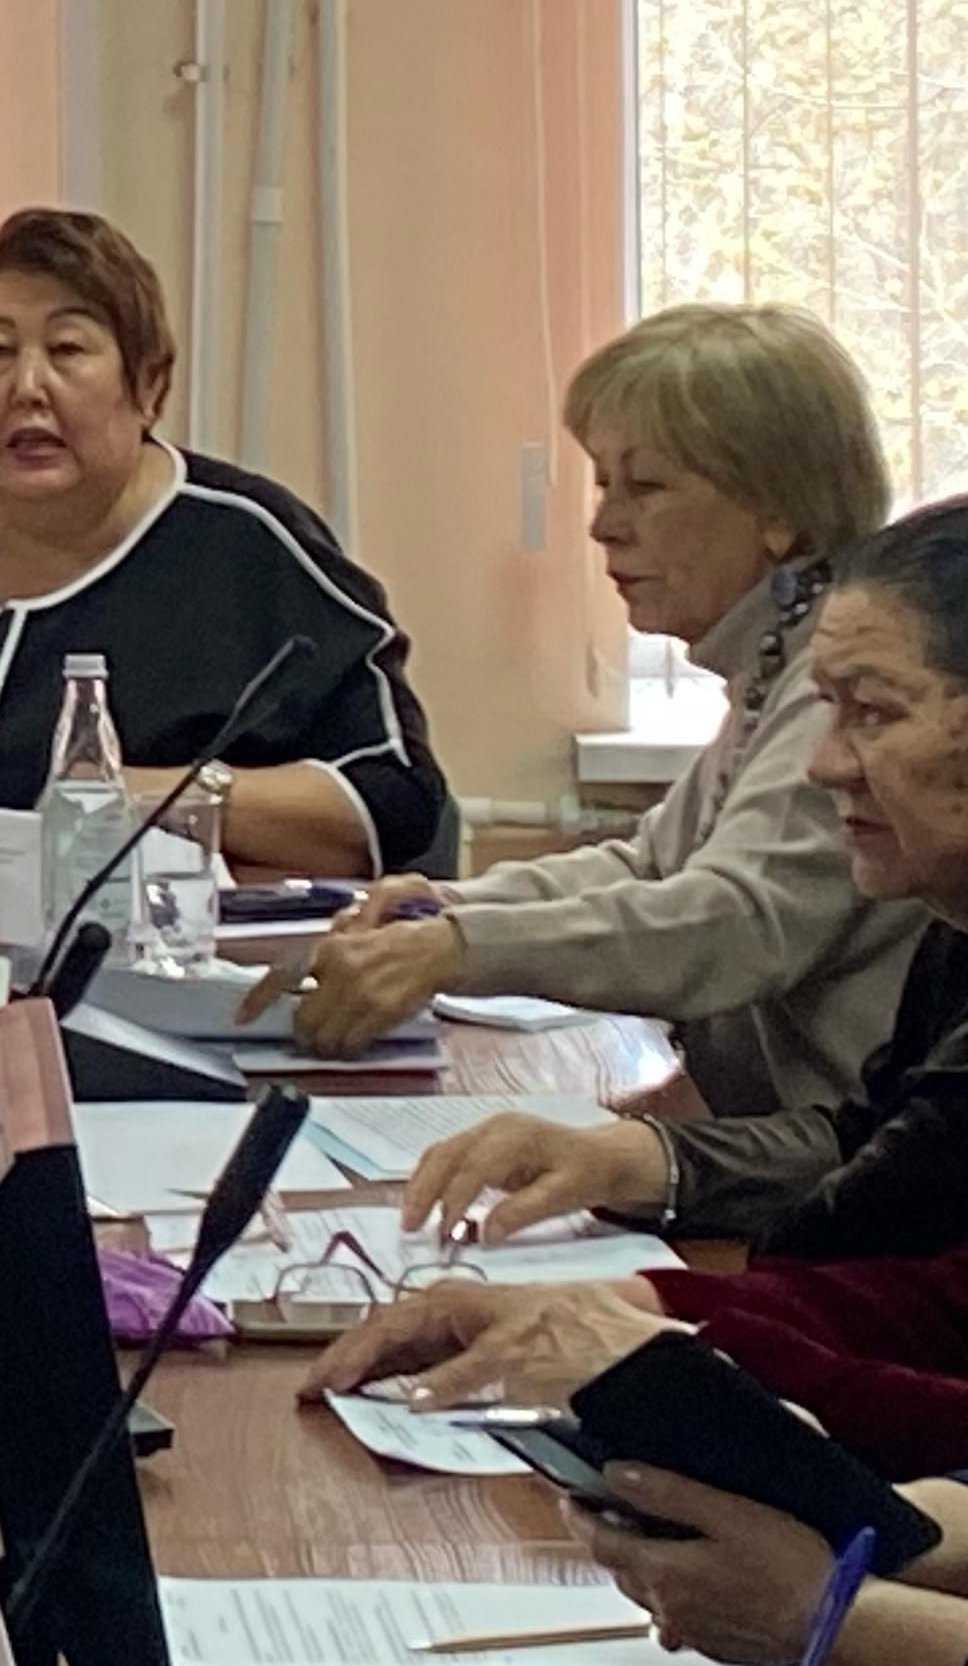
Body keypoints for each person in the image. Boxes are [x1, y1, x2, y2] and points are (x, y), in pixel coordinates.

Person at [301, 499, 968, 1442]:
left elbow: (891, 1258)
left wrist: (672, 1348)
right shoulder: (952, 936)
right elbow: (897, 1206)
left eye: (872, 713)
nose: (825, 766)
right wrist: (646, 1233)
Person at [247, 305, 916, 1097]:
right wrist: (444, 907)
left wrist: (460, 945)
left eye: (646, 486)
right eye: (603, 483)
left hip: (865, 1155)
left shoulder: (839, 684)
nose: (603, 526)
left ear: (779, 510)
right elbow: (649, 866)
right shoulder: (778, 658)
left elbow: (734, 922)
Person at [0, 207, 449, 877]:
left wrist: (159, 798)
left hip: (168, 955)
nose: (27, 386)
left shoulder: (249, 546)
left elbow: (393, 797)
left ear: (148, 385)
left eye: (67, 349)